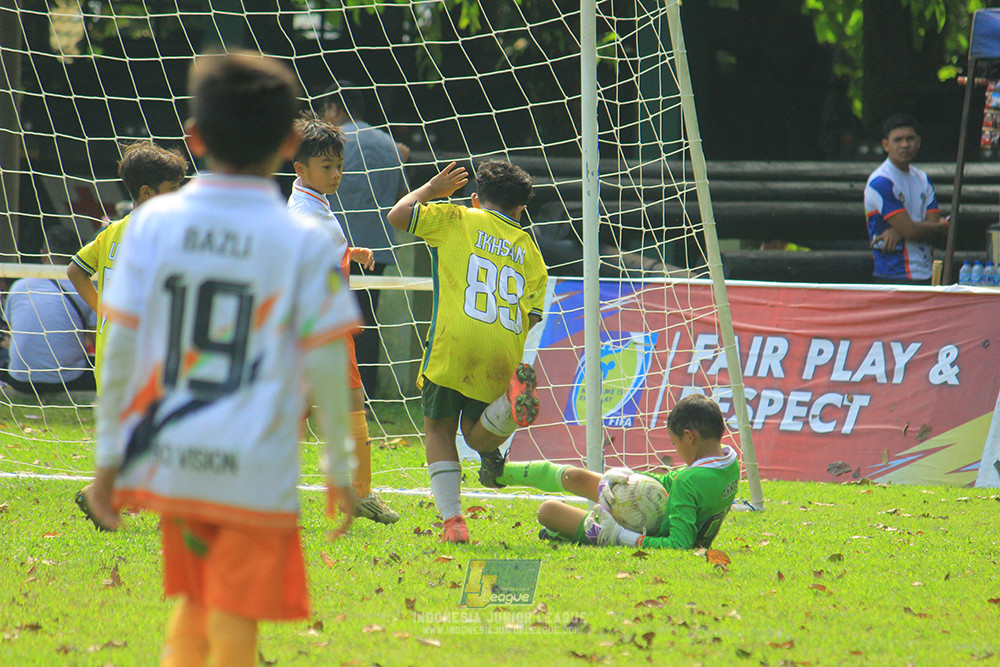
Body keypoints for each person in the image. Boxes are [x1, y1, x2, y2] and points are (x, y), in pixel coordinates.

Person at [77, 52, 360, 667]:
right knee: (233, 619)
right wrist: (341, 464)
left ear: (195, 136)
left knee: (198, 601)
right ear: (290, 144)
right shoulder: (305, 240)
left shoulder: (150, 225)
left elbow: (120, 350)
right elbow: (329, 366)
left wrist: (108, 462)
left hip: (174, 457)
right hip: (254, 463)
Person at [386, 159, 548, 543]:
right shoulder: (531, 252)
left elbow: (397, 215)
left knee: (439, 429)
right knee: (475, 435)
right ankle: (506, 413)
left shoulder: (456, 217)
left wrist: (431, 190)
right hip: (502, 352)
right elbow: (532, 318)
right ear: (520, 210)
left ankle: (453, 522)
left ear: (476, 199)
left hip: (454, 343)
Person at [287, 111, 399, 525]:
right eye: (327, 167)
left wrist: (351, 255)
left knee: (338, 402)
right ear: (301, 169)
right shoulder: (303, 214)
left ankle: (356, 492)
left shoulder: (310, 202)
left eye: (338, 165)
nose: (336, 174)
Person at [492, 394, 740, 549]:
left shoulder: (690, 481)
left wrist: (619, 536)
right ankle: (499, 473)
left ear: (689, 437)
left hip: (642, 523)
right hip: (654, 502)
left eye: (675, 444)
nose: (676, 451)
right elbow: (672, 481)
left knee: (547, 511)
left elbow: (679, 544)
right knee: (576, 477)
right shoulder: (728, 463)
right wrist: (626, 474)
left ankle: (501, 476)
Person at [67, 139, 188, 389]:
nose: (179, 195)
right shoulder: (165, 235)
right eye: (173, 188)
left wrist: (102, 309)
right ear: (147, 191)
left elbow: (75, 270)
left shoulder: (112, 231)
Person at [319, 79, 409, 399]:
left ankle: (333, 392)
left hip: (339, 247)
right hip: (379, 246)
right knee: (367, 320)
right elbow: (402, 196)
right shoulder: (389, 144)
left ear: (333, 107)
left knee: (331, 320)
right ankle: (366, 392)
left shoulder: (331, 145)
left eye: (324, 109)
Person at [0, 226, 97, 394]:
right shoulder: (87, 287)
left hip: (21, 380)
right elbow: (98, 341)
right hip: (67, 380)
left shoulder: (19, 286)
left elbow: (12, 332)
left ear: (43, 256)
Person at [865, 113, 949, 284]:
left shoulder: (923, 178)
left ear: (918, 141)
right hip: (893, 276)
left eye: (909, 139)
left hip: (927, 273)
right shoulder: (880, 182)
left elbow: (924, 224)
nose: (905, 144)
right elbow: (913, 230)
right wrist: (943, 226)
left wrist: (902, 230)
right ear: (886, 145)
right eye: (898, 140)